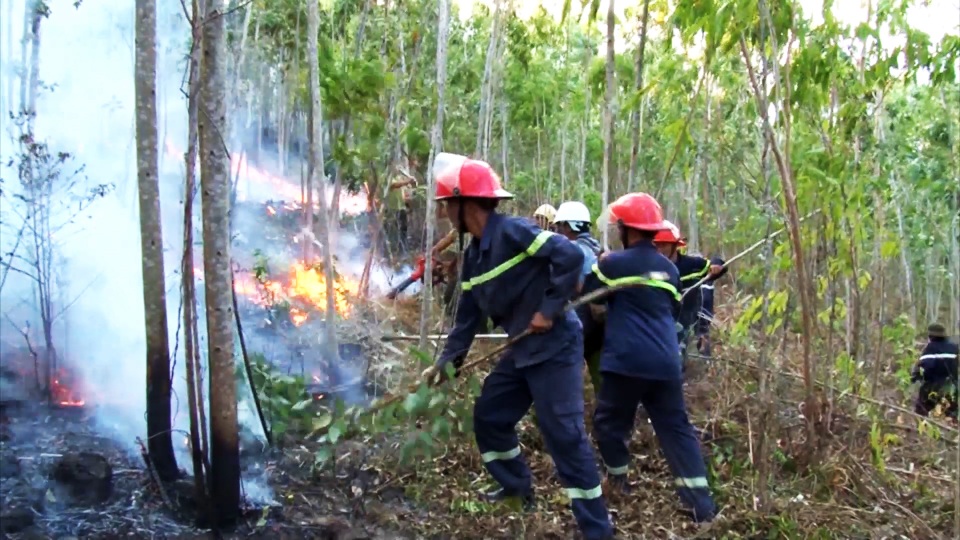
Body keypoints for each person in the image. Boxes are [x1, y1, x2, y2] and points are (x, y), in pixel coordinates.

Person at [423, 156, 614, 540]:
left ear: (466, 203)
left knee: (563, 435)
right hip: (523, 353)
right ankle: (516, 490)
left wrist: (547, 309)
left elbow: (571, 255)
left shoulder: (515, 232)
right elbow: (466, 321)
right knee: (491, 416)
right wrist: (445, 366)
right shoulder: (474, 258)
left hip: (556, 348)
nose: (443, 212)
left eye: (446, 204)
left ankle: (596, 529)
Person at [582, 192, 717, 525]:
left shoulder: (612, 264)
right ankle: (701, 503)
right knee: (676, 428)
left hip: (625, 360)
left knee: (609, 423)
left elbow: (587, 290)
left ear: (626, 229)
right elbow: (670, 308)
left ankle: (619, 480)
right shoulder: (669, 269)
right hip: (666, 362)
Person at [653, 221, 726, 368]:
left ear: (675, 245)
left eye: (664, 245)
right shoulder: (650, 266)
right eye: (657, 245)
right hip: (659, 323)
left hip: (686, 322)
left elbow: (717, 264)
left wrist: (716, 266)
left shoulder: (691, 265)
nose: (660, 249)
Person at [553, 201, 604, 394]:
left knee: (560, 383)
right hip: (599, 328)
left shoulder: (571, 250)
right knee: (603, 386)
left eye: (560, 226)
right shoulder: (599, 250)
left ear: (569, 226)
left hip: (576, 324)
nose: (558, 231)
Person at [911, 323, 959, 419]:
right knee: (950, 416)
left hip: (931, 388)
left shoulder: (929, 349)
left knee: (921, 413)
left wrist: (915, 377)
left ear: (930, 336)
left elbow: (921, 369)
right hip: (951, 388)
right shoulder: (954, 348)